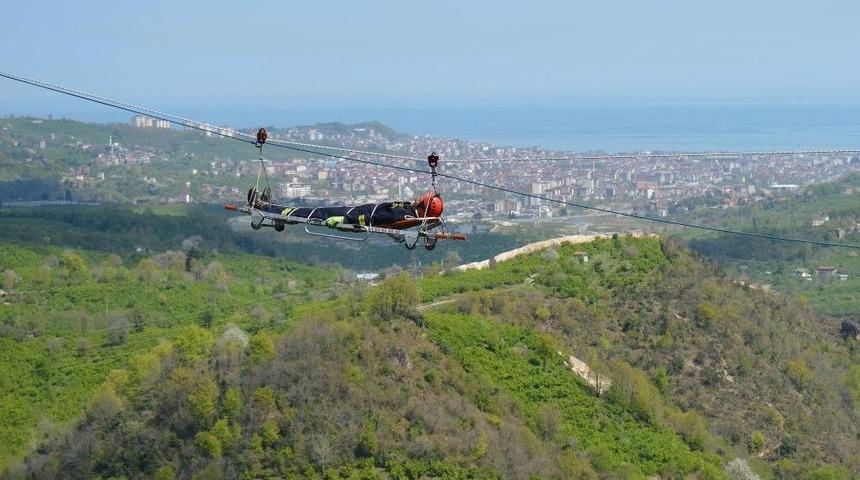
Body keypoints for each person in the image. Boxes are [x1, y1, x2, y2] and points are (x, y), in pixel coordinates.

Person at [248, 188, 444, 230]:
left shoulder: (402, 214)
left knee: (309, 213)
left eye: (421, 199)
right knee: (309, 212)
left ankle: (265, 207)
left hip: (351, 216)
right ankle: (276, 211)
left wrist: (344, 220)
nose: (417, 197)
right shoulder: (408, 211)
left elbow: (373, 219)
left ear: (422, 206)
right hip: (354, 211)